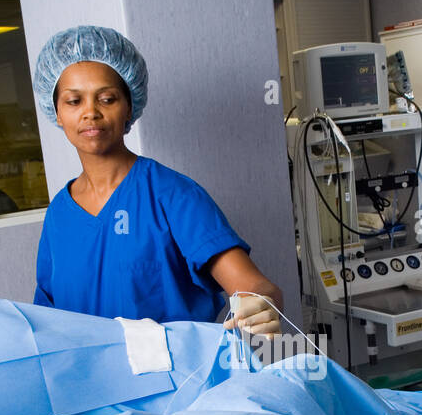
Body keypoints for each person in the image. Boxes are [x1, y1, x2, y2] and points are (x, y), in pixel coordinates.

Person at [30, 25, 283, 334]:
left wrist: (260, 302)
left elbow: (251, 284)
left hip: (175, 379)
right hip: (86, 379)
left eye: (107, 99)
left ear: (128, 107)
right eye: (74, 101)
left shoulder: (173, 196)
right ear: (56, 112)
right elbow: (47, 318)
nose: (90, 113)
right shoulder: (59, 212)